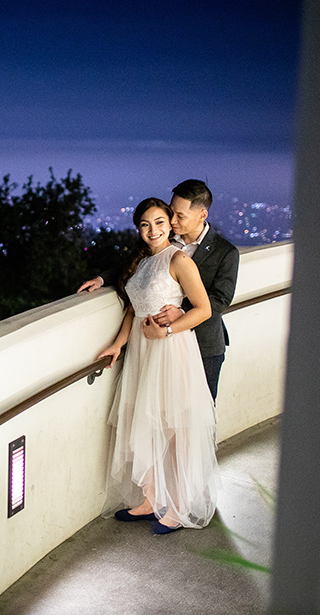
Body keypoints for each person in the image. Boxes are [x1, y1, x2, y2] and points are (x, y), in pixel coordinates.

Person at [96, 198, 220, 534]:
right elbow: (132, 311)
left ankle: (179, 507)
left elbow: (203, 309)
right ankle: (151, 499)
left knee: (174, 428)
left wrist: (165, 330)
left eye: (160, 222)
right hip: (141, 350)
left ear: (170, 223)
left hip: (169, 349)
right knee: (145, 421)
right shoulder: (140, 263)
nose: (153, 230)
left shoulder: (178, 259)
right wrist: (119, 344)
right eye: (146, 224)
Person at [79, 180, 239, 401]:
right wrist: (102, 278)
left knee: (198, 413)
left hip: (204, 344)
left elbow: (220, 300)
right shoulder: (163, 237)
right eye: (171, 213)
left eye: (180, 216)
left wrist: (180, 312)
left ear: (202, 215)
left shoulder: (226, 252)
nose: (172, 221)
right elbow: (137, 270)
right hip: (153, 344)